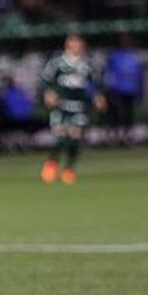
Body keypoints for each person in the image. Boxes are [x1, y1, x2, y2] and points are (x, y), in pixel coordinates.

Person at [39, 34, 105, 185]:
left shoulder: (87, 65)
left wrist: (98, 96)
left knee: (76, 139)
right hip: (61, 106)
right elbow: (45, 80)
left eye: (79, 44)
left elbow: (97, 83)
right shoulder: (57, 64)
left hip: (79, 106)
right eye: (73, 44)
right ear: (67, 46)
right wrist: (48, 93)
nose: (76, 47)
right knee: (62, 137)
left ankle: (69, 169)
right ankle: (51, 163)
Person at [103, 34, 143, 144]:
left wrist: (139, 88)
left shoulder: (133, 56)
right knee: (114, 113)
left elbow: (139, 73)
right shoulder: (114, 56)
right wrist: (110, 87)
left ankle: (128, 136)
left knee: (128, 114)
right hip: (117, 89)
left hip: (130, 89)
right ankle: (113, 136)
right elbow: (108, 73)